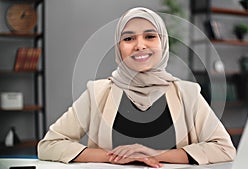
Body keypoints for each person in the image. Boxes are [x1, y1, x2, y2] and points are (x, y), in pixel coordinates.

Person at [37, 7, 236, 168]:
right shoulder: (97, 93)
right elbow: (49, 146)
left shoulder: (187, 93)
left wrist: (156, 154)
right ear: (118, 47)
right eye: (128, 38)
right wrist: (115, 157)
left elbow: (224, 149)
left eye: (150, 36)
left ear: (163, 43)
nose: (139, 45)